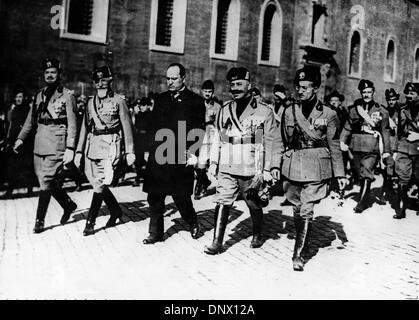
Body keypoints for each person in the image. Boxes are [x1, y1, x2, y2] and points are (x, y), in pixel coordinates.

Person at [270, 66, 345, 271]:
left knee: (306, 207)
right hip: (292, 164)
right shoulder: (288, 111)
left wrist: (340, 174)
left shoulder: (329, 114)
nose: (300, 91)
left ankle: (299, 253)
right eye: (298, 87)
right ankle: (303, 239)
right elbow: (279, 140)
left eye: (305, 87)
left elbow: (335, 145)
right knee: (296, 205)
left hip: (316, 166)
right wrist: (275, 165)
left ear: (316, 88)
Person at [204, 67, 276, 255]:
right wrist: (213, 162)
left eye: (239, 84)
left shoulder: (264, 111)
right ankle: (217, 242)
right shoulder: (225, 109)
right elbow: (218, 137)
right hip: (227, 164)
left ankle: (258, 233)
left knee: (253, 203)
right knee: (223, 200)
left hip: (250, 167)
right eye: (232, 85)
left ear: (249, 85)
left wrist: (268, 169)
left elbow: (270, 142)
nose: (235, 88)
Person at [142, 63, 205, 244]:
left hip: (180, 155)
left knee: (180, 196)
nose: (170, 82)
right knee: (154, 196)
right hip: (159, 154)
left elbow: (197, 130)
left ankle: (192, 222)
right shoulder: (161, 99)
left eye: (174, 78)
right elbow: (153, 127)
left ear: (183, 78)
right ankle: (155, 233)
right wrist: (148, 149)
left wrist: (192, 154)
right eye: (168, 78)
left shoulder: (195, 101)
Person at [13, 58, 78, 233]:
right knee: (44, 180)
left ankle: (39, 221)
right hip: (39, 142)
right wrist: (20, 138)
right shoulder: (39, 95)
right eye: (47, 73)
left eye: (53, 72)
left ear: (59, 74)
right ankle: (68, 204)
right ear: (44, 75)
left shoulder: (67, 95)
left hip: (57, 142)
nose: (50, 75)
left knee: (46, 182)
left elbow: (72, 124)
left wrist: (71, 148)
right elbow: (30, 120)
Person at [74, 66, 135, 236]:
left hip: (110, 145)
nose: (101, 84)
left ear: (110, 81)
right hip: (93, 145)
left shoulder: (118, 101)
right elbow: (85, 128)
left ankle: (90, 221)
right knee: (95, 182)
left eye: (104, 80)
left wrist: (130, 151)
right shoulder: (90, 102)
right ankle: (115, 210)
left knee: (99, 183)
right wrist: (79, 151)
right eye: (97, 81)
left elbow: (127, 126)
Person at [340, 79, 392, 213]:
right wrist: (342, 141)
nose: (366, 95)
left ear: (373, 92)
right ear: (361, 93)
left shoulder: (381, 110)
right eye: (364, 92)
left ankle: (361, 203)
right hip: (356, 145)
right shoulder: (354, 109)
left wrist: (386, 151)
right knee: (358, 172)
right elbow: (348, 127)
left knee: (367, 172)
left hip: (372, 146)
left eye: (369, 92)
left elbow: (385, 132)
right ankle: (366, 195)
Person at [392, 82, 419, 219]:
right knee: (402, 177)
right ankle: (401, 209)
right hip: (404, 147)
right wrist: (395, 149)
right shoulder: (402, 110)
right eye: (407, 93)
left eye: (412, 94)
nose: (408, 96)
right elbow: (398, 132)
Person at [5, 85, 36, 197]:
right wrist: (9, 141)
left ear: (24, 98)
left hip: (26, 143)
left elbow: (29, 127)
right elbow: (11, 126)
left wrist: (22, 140)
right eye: (17, 97)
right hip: (14, 143)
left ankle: (30, 189)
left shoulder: (28, 110)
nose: (18, 99)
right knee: (12, 168)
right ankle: (10, 190)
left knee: (27, 167)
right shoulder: (14, 110)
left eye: (20, 97)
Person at [194, 79, 221, 199]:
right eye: (205, 91)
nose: (207, 94)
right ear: (202, 91)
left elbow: (218, 124)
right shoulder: (196, 104)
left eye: (210, 91)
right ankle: (205, 182)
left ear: (213, 92)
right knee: (194, 163)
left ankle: (199, 188)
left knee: (202, 162)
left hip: (209, 136)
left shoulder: (216, 106)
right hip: (196, 135)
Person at [376, 88, 401, 205]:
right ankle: (385, 193)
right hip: (385, 144)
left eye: (394, 99)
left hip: (397, 144)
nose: (391, 102)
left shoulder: (401, 112)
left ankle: (388, 193)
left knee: (394, 170)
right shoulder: (384, 112)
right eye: (389, 100)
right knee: (386, 169)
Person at [132, 97, 153, 186]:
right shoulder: (138, 115)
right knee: (138, 160)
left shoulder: (151, 115)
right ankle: (138, 177)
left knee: (147, 159)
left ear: (148, 106)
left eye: (143, 105)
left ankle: (148, 177)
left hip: (147, 139)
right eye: (140, 105)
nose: (141, 107)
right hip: (139, 139)